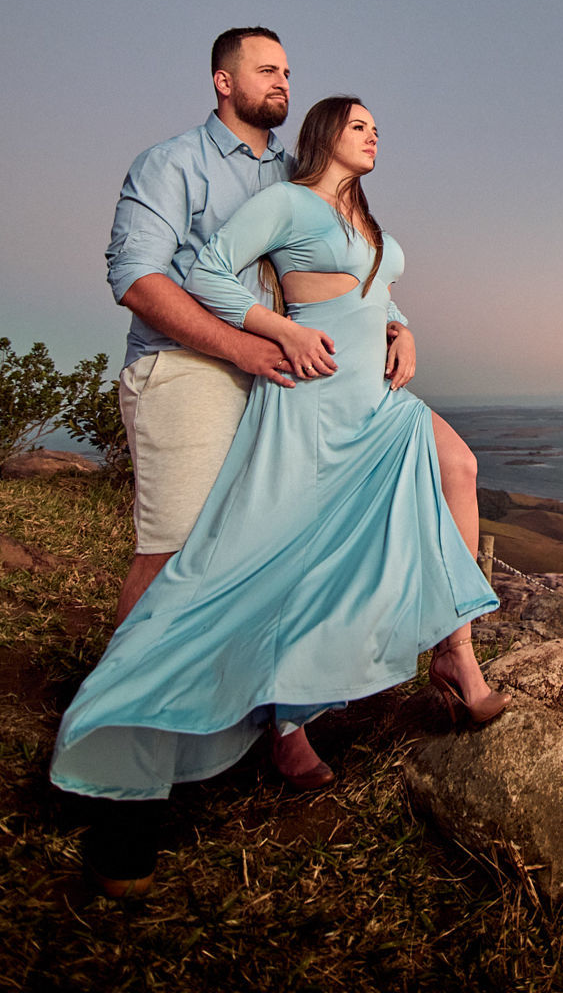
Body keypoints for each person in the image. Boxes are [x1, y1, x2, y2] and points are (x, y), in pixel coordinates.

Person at [52, 95, 507, 893]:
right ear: (326, 134)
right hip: (313, 409)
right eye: (359, 124)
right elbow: (205, 271)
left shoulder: (362, 217)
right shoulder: (288, 201)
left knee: (457, 469)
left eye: (377, 126)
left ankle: (455, 652)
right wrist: (280, 331)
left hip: (376, 404)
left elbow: (372, 292)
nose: (374, 133)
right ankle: (130, 746)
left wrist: (403, 328)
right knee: (241, 569)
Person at [105, 27, 486, 790]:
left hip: (303, 377)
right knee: (183, 549)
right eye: (266, 69)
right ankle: (128, 737)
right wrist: (254, 342)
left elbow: (355, 281)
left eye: (287, 70)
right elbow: (140, 278)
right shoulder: (174, 164)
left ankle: (300, 714)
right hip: (193, 364)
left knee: (323, 529)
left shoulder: (295, 176)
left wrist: (400, 327)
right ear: (223, 80)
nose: (283, 80)